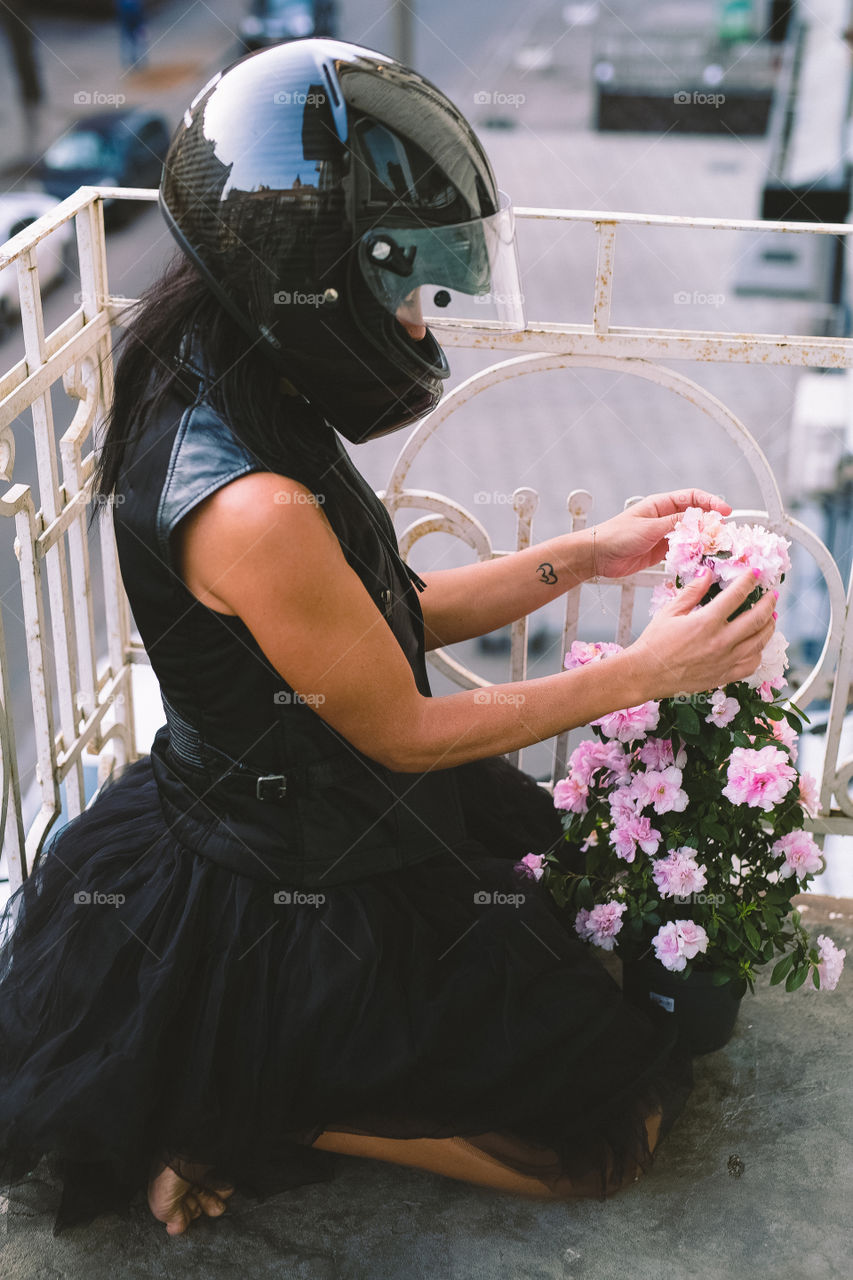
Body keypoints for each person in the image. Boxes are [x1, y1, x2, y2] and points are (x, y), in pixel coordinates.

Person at [0, 38, 776, 1238]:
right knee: (599, 1145)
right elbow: (404, 728)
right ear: (311, 283)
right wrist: (650, 668)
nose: (419, 321)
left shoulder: (237, 378)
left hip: (324, 817)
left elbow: (387, 614)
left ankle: (243, 1084)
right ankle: (250, 1092)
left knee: (598, 1007)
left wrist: (590, 549)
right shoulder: (249, 501)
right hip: (281, 881)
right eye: (405, 289)